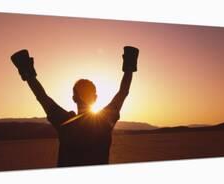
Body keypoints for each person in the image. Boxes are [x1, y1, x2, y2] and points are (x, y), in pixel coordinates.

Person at [10, 46, 139, 167]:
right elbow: (123, 92)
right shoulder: (104, 121)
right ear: (95, 98)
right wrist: (129, 68)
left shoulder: (65, 121)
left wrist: (27, 73)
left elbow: (42, 96)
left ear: (73, 98)